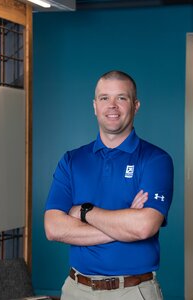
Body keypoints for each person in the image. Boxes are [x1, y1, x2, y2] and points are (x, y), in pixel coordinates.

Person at [44, 70, 174, 300]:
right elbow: (53, 228)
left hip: (133, 291)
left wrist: (84, 212)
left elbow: (143, 227)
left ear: (136, 105)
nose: (112, 106)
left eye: (121, 98)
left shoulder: (156, 160)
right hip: (76, 290)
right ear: (95, 106)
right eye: (105, 98)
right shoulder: (72, 160)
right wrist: (123, 226)